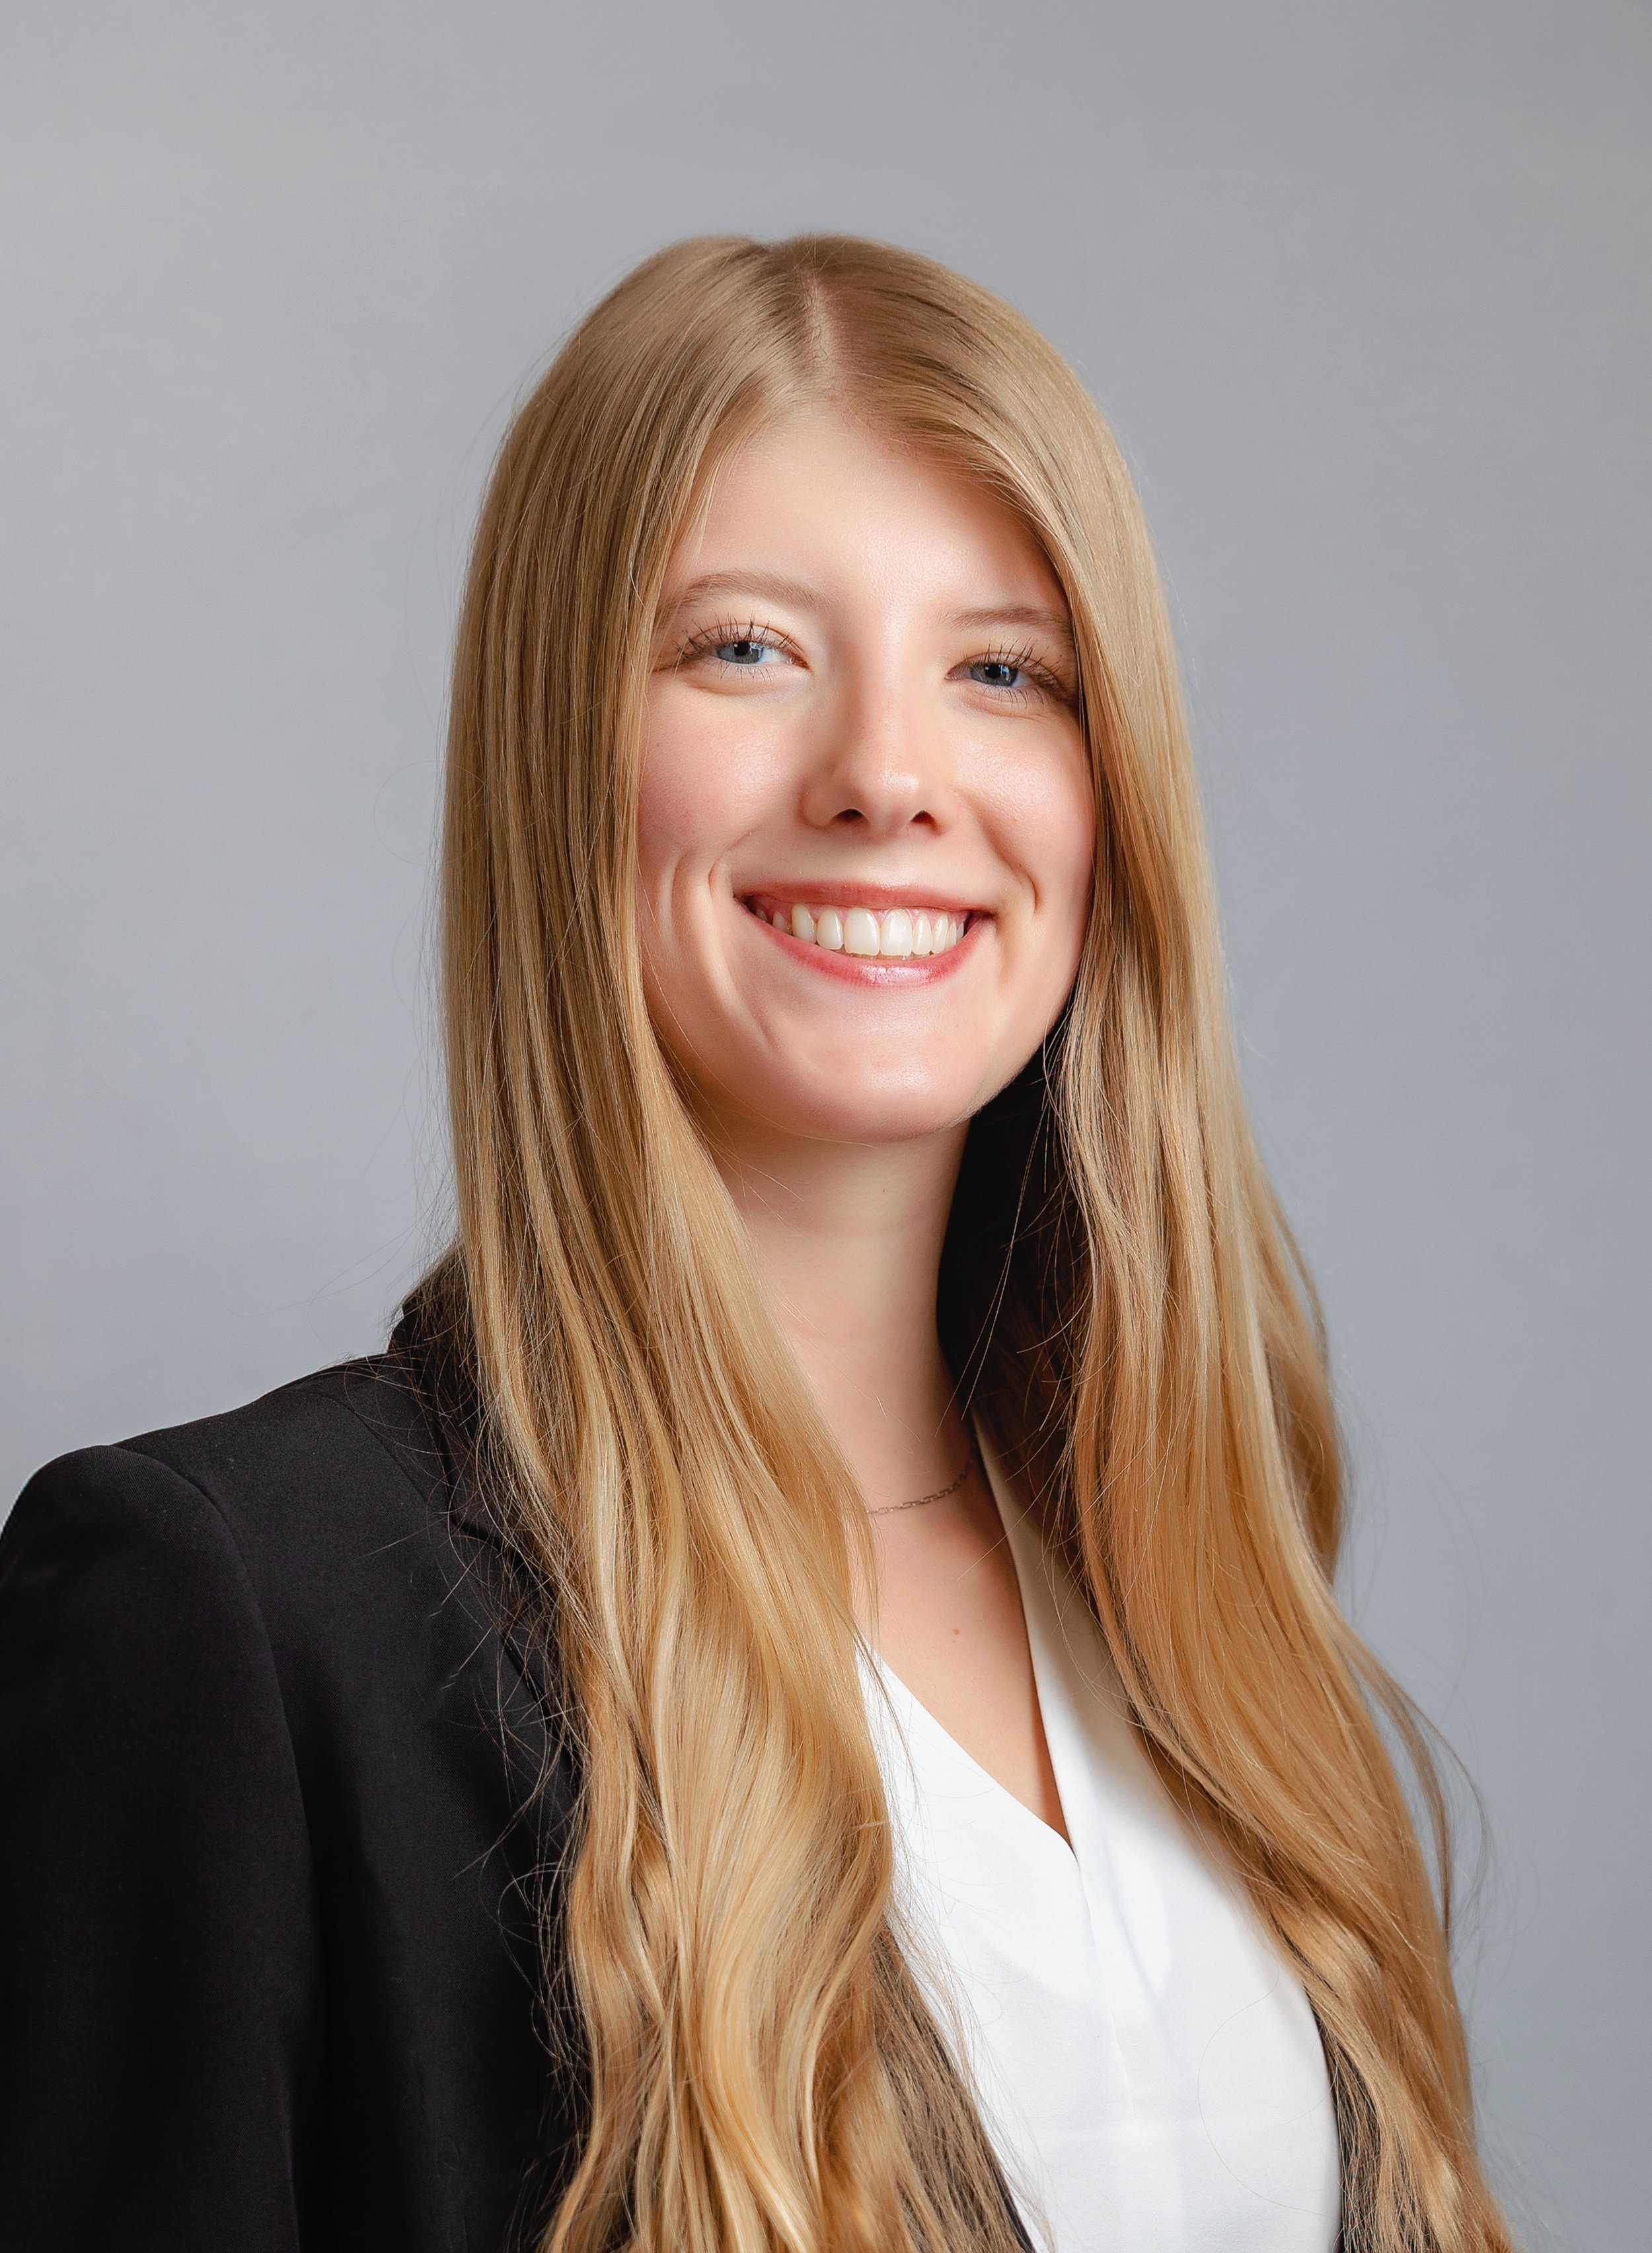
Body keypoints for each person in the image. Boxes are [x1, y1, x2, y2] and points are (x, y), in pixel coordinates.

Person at [0, 235, 1512, 2253]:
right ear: (562, 752)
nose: (888, 775)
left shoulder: (1202, 1609)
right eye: (743, 648)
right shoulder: (233, 1613)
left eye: (1002, 670)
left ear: (1106, 791)